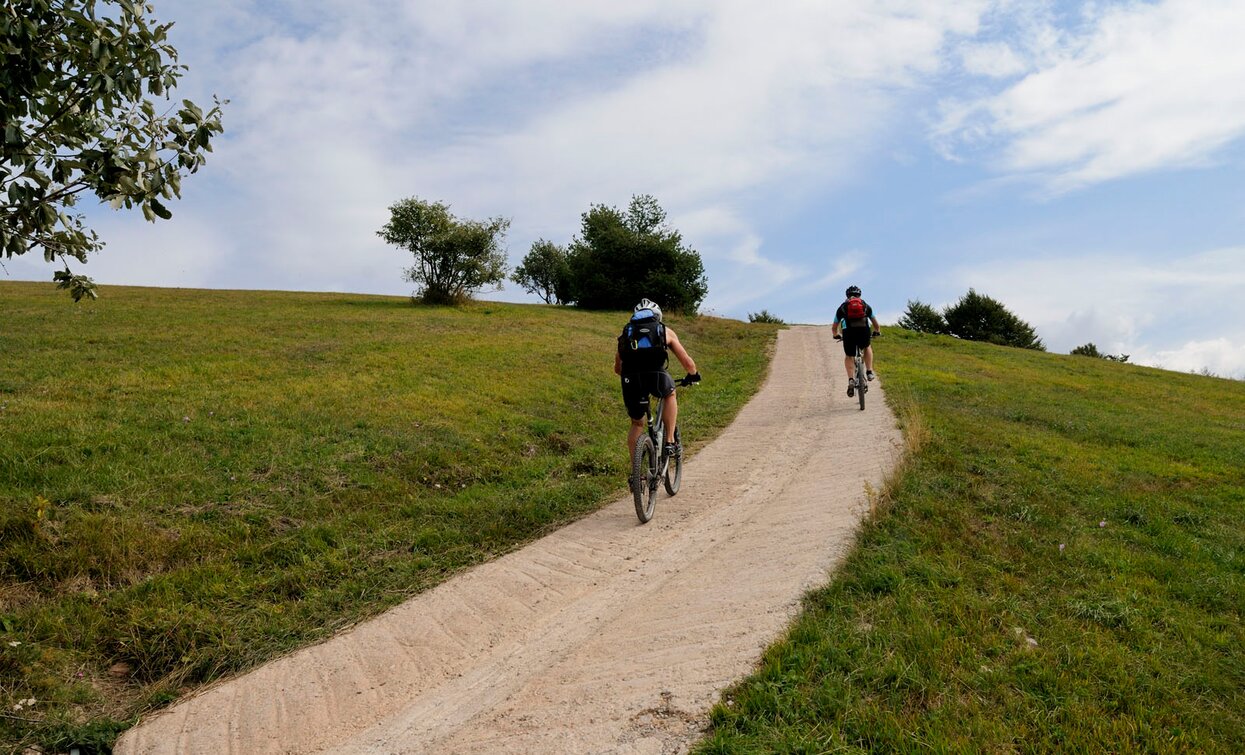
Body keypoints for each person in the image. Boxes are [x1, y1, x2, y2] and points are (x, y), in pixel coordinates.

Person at [615, 298, 700, 470]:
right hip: (656, 374)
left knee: (637, 423)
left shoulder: (627, 333)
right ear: (657, 316)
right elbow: (688, 363)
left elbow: (618, 368)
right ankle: (669, 442)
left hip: (630, 378)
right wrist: (693, 375)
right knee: (670, 394)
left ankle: (636, 472)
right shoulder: (664, 330)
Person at [831, 285, 880, 397]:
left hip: (848, 333)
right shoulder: (865, 305)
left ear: (847, 295)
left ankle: (851, 380)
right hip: (864, 332)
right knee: (867, 347)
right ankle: (869, 371)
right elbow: (875, 323)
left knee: (849, 355)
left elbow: (834, 327)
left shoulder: (842, 307)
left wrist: (836, 335)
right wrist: (877, 331)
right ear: (859, 295)